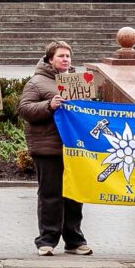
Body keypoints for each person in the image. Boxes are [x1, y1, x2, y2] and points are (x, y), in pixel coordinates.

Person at [20, 40, 92, 256]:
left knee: (74, 195)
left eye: (68, 56)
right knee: (50, 194)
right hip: (48, 147)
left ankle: (74, 240)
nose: (65, 59)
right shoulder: (36, 82)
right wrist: (48, 106)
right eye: (61, 56)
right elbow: (24, 109)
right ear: (50, 59)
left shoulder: (78, 82)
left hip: (74, 147)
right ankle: (47, 240)